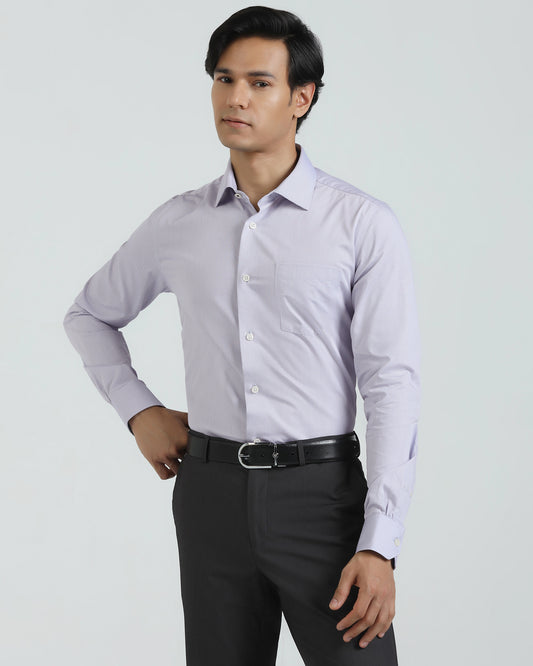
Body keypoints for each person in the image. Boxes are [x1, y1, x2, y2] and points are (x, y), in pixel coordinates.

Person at [63, 6, 421, 665]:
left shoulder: (360, 225)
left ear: (301, 98)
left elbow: (390, 384)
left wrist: (380, 542)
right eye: (224, 79)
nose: (235, 98)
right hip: (210, 495)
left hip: (322, 499)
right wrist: (139, 410)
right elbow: (89, 314)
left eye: (259, 82)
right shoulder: (179, 223)